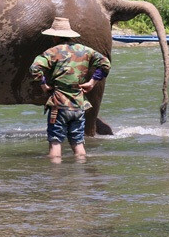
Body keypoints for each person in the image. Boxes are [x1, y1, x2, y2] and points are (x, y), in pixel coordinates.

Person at [29, 16, 111, 161]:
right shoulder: (85, 50)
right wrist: (92, 82)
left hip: (59, 105)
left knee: (55, 143)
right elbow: (105, 63)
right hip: (79, 105)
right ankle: (80, 178)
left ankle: (56, 179)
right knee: (78, 143)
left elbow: (35, 68)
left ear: (55, 36)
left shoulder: (52, 52)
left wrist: (44, 85)